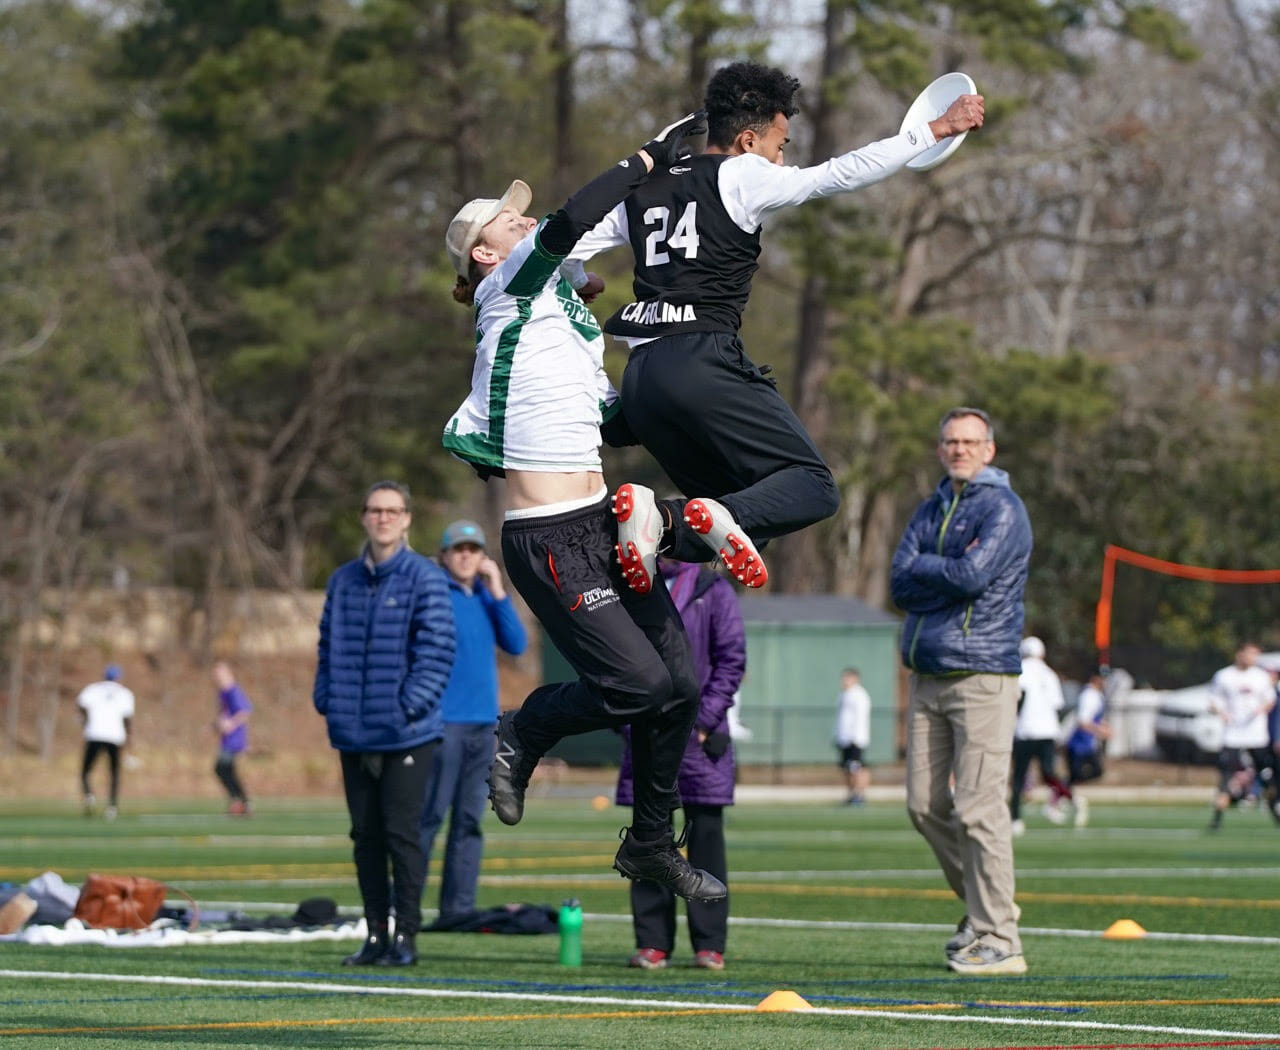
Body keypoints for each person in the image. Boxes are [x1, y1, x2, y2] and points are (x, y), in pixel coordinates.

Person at [442, 112, 726, 904]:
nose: (524, 216)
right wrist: (643, 158)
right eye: (508, 217)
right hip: (548, 537)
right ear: (486, 254)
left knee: (679, 681)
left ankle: (648, 845)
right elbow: (572, 222)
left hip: (603, 520)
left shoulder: (561, 319)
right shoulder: (506, 284)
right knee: (637, 684)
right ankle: (523, 730)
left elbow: (612, 420)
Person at [564, 61, 985, 593]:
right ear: (746, 139)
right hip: (701, 364)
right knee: (813, 488)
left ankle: (651, 528)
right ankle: (663, 519)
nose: (782, 158)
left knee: (746, 519)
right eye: (780, 144)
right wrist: (934, 130)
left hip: (643, 381)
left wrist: (579, 279)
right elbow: (841, 173)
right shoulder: (743, 172)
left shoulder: (646, 187)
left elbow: (562, 242)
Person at [890, 406, 1032, 976]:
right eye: (951, 440)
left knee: (979, 810)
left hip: (983, 674)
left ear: (990, 450)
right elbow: (900, 580)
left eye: (971, 441)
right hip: (928, 672)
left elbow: (974, 578)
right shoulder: (932, 507)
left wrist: (930, 570)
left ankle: (1002, 937)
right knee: (924, 806)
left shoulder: (1003, 508)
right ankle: (981, 912)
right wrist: (938, 571)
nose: (959, 449)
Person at [313, 480, 456, 967]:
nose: (383, 518)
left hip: (407, 732)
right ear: (363, 517)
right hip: (353, 731)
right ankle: (375, 934)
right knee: (365, 837)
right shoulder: (343, 580)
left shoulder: (426, 578)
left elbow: (437, 652)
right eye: (375, 510)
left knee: (402, 835)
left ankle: (407, 937)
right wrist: (327, 699)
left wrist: (406, 706)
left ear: (407, 518)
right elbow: (327, 647)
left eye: (392, 510)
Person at [616, 557, 746, 971]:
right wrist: (625, 719)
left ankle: (709, 944)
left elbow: (731, 660)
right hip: (647, 733)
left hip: (700, 741)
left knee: (706, 838)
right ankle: (652, 942)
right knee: (649, 838)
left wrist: (704, 720)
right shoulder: (630, 586)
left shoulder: (714, 590)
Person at [420, 520, 528, 925]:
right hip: (442, 725)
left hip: (483, 727)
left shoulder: (487, 598)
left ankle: (457, 909)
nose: (466, 555)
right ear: (444, 556)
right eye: (458, 549)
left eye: (473, 549)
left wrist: (498, 590)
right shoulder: (432, 595)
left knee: (469, 822)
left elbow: (517, 644)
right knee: (427, 819)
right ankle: (406, 905)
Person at [1207, 642, 1276, 831]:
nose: (1253, 658)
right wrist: (1221, 712)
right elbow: (1213, 700)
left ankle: (1275, 813)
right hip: (1233, 736)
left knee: (1268, 778)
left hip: (1257, 736)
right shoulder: (1224, 676)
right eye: (1250, 654)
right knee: (1225, 779)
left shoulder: (1260, 677)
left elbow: (1270, 700)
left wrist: (1260, 710)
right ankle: (1216, 821)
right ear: (1239, 654)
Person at [1010, 637, 1072, 835]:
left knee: (1019, 777)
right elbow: (1058, 705)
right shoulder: (1049, 674)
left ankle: (1016, 818)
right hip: (1048, 731)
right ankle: (1063, 798)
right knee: (1049, 772)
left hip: (1025, 730)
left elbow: (1018, 698)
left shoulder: (1021, 670)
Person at [77, 664, 135, 821]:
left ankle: (89, 794)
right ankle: (112, 807)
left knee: (85, 770)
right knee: (114, 773)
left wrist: (85, 720)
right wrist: (129, 741)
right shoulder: (125, 693)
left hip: (94, 734)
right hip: (115, 737)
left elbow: (81, 704)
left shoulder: (92, 689)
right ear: (118, 677)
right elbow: (127, 719)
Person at [1064, 667, 1111, 828]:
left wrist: (1103, 727)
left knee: (1090, 773)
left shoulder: (1096, 695)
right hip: (1079, 744)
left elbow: (1092, 719)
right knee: (1080, 774)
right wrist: (1101, 730)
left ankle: (1064, 790)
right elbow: (1083, 722)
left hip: (1087, 743)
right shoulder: (1089, 695)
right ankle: (1064, 791)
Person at [212, 660, 253, 816]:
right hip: (227, 739)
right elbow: (224, 716)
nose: (216, 677)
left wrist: (231, 724)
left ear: (228, 673)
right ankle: (241, 802)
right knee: (227, 770)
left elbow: (245, 712)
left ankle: (240, 801)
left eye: (219, 673)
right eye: (215, 674)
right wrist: (214, 727)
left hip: (235, 739)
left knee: (222, 769)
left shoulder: (233, 690)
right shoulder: (222, 692)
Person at [834, 668, 872, 806]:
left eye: (847, 678)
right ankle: (850, 794)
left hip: (856, 739)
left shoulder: (859, 695)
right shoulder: (843, 695)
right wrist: (837, 735)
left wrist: (856, 738)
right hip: (844, 739)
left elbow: (861, 719)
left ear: (855, 679)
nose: (844, 681)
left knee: (857, 768)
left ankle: (860, 795)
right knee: (847, 768)